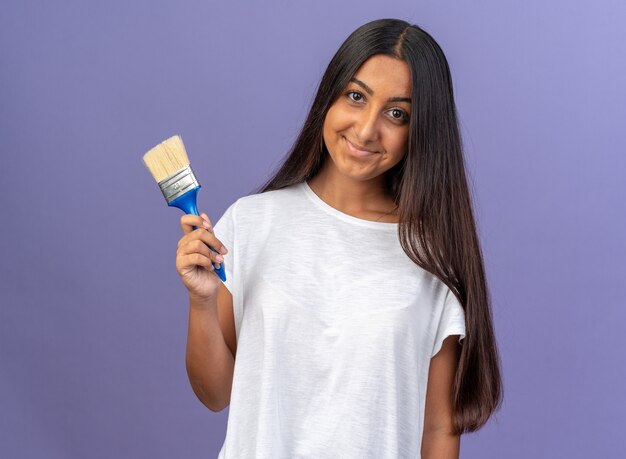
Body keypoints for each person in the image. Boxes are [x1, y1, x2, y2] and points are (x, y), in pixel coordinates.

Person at [176, 18, 503, 458]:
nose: (367, 129)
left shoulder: (432, 257)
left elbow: (439, 429)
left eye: (397, 113)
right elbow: (215, 394)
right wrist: (201, 301)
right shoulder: (253, 223)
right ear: (329, 98)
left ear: (420, 131)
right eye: (356, 97)